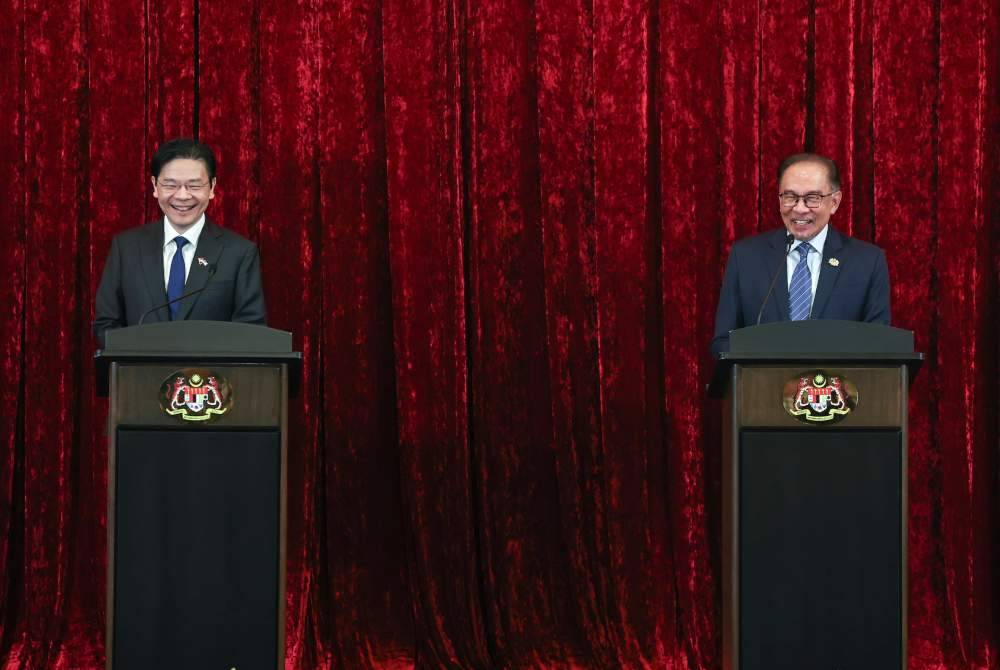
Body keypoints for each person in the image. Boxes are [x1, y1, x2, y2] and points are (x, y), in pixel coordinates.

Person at [710, 152, 890, 354]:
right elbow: (723, 342)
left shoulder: (867, 262)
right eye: (790, 197)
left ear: (835, 202)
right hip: (763, 384)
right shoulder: (745, 257)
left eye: (812, 198)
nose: (800, 209)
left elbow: (878, 346)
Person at [93, 138, 266, 346]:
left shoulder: (239, 253)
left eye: (194, 185)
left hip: (211, 377)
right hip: (141, 376)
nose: (183, 196)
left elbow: (251, 331)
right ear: (155, 186)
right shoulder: (127, 248)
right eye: (170, 185)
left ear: (212, 187)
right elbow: (106, 324)